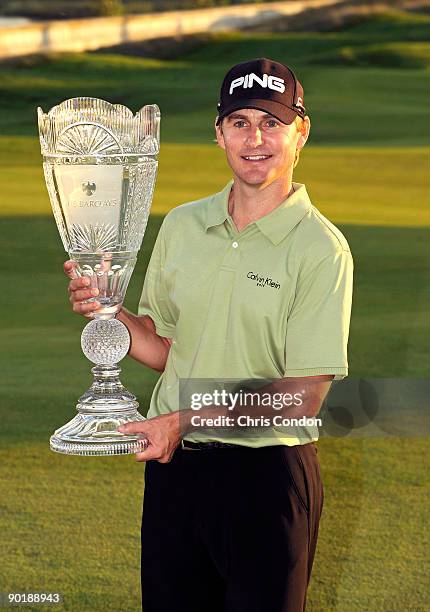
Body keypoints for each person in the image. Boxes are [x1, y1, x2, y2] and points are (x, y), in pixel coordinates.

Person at [65, 58, 353, 612]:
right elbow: (167, 350)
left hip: (266, 479)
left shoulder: (320, 248)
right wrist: (112, 311)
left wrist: (184, 420)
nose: (256, 138)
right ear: (218, 132)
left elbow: (303, 397)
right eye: (240, 122)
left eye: (272, 122)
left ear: (301, 131)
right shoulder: (182, 225)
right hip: (178, 477)